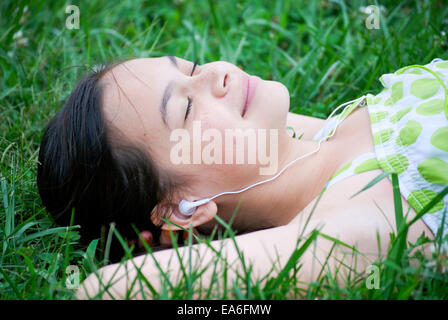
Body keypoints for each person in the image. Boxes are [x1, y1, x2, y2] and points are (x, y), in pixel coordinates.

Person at [36, 56, 448, 299]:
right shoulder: (349, 223)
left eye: (191, 68)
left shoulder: (325, 140)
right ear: (181, 210)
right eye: (185, 110)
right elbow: (105, 289)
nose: (216, 74)